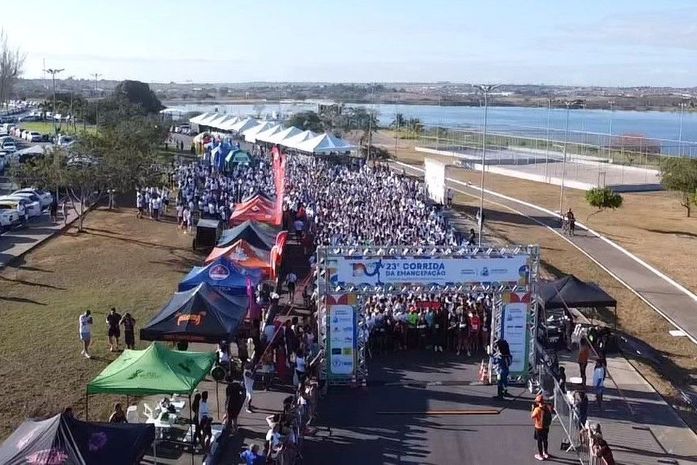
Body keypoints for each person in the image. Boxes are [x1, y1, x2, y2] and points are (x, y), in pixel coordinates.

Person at [531, 394, 553, 461]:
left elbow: (532, 416)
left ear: (538, 402)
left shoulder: (537, 409)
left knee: (539, 441)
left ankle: (540, 455)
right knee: (545, 440)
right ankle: (545, 453)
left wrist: (532, 409)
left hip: (539, 427)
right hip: (546, 427)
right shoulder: (547, 407)